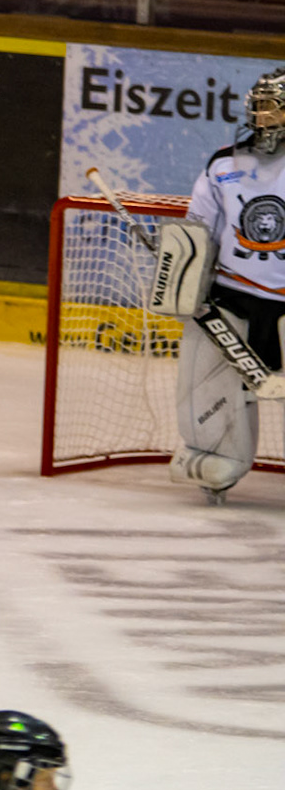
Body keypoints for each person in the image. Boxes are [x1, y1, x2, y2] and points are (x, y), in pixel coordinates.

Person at [170, 66, 285, 502]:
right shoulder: (223, 164)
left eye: (272, 109)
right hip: (231, 300)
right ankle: (217, 456)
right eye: (259, 107)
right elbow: (199, 229)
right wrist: (182, 275)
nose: (262, 117)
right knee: (211, 391)